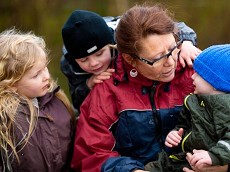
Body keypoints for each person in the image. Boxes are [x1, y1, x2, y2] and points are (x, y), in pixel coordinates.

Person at [70, 4, 203, 172]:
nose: (171, 62)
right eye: (157, 58)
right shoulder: (106, 92)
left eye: (172, 49)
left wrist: (220, 164)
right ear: (130, 59)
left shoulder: (199, 73)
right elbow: (89, 155)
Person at [61, 9, 200, 113]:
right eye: (84, 60)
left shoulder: (124, 33)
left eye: (99, 54)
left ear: (112, 44)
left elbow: (169, 27)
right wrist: (87, 85)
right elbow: (78, 104)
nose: (94, 63)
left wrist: (186, 42)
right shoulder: (69, 64)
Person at [0, 28, 75, 172]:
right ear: (11, 84)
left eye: (45, 67)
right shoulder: (6, 120)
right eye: (36, 75)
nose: (46, 76)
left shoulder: (56, 100)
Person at [165, 44, 230, 171]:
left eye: (199, 74)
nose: (192, 76)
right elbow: (184, 126)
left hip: (208, 163)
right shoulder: (193, 100)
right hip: (181, 159)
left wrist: (214, 156)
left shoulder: (226, 107)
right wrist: (175, 134)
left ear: (216, 83)